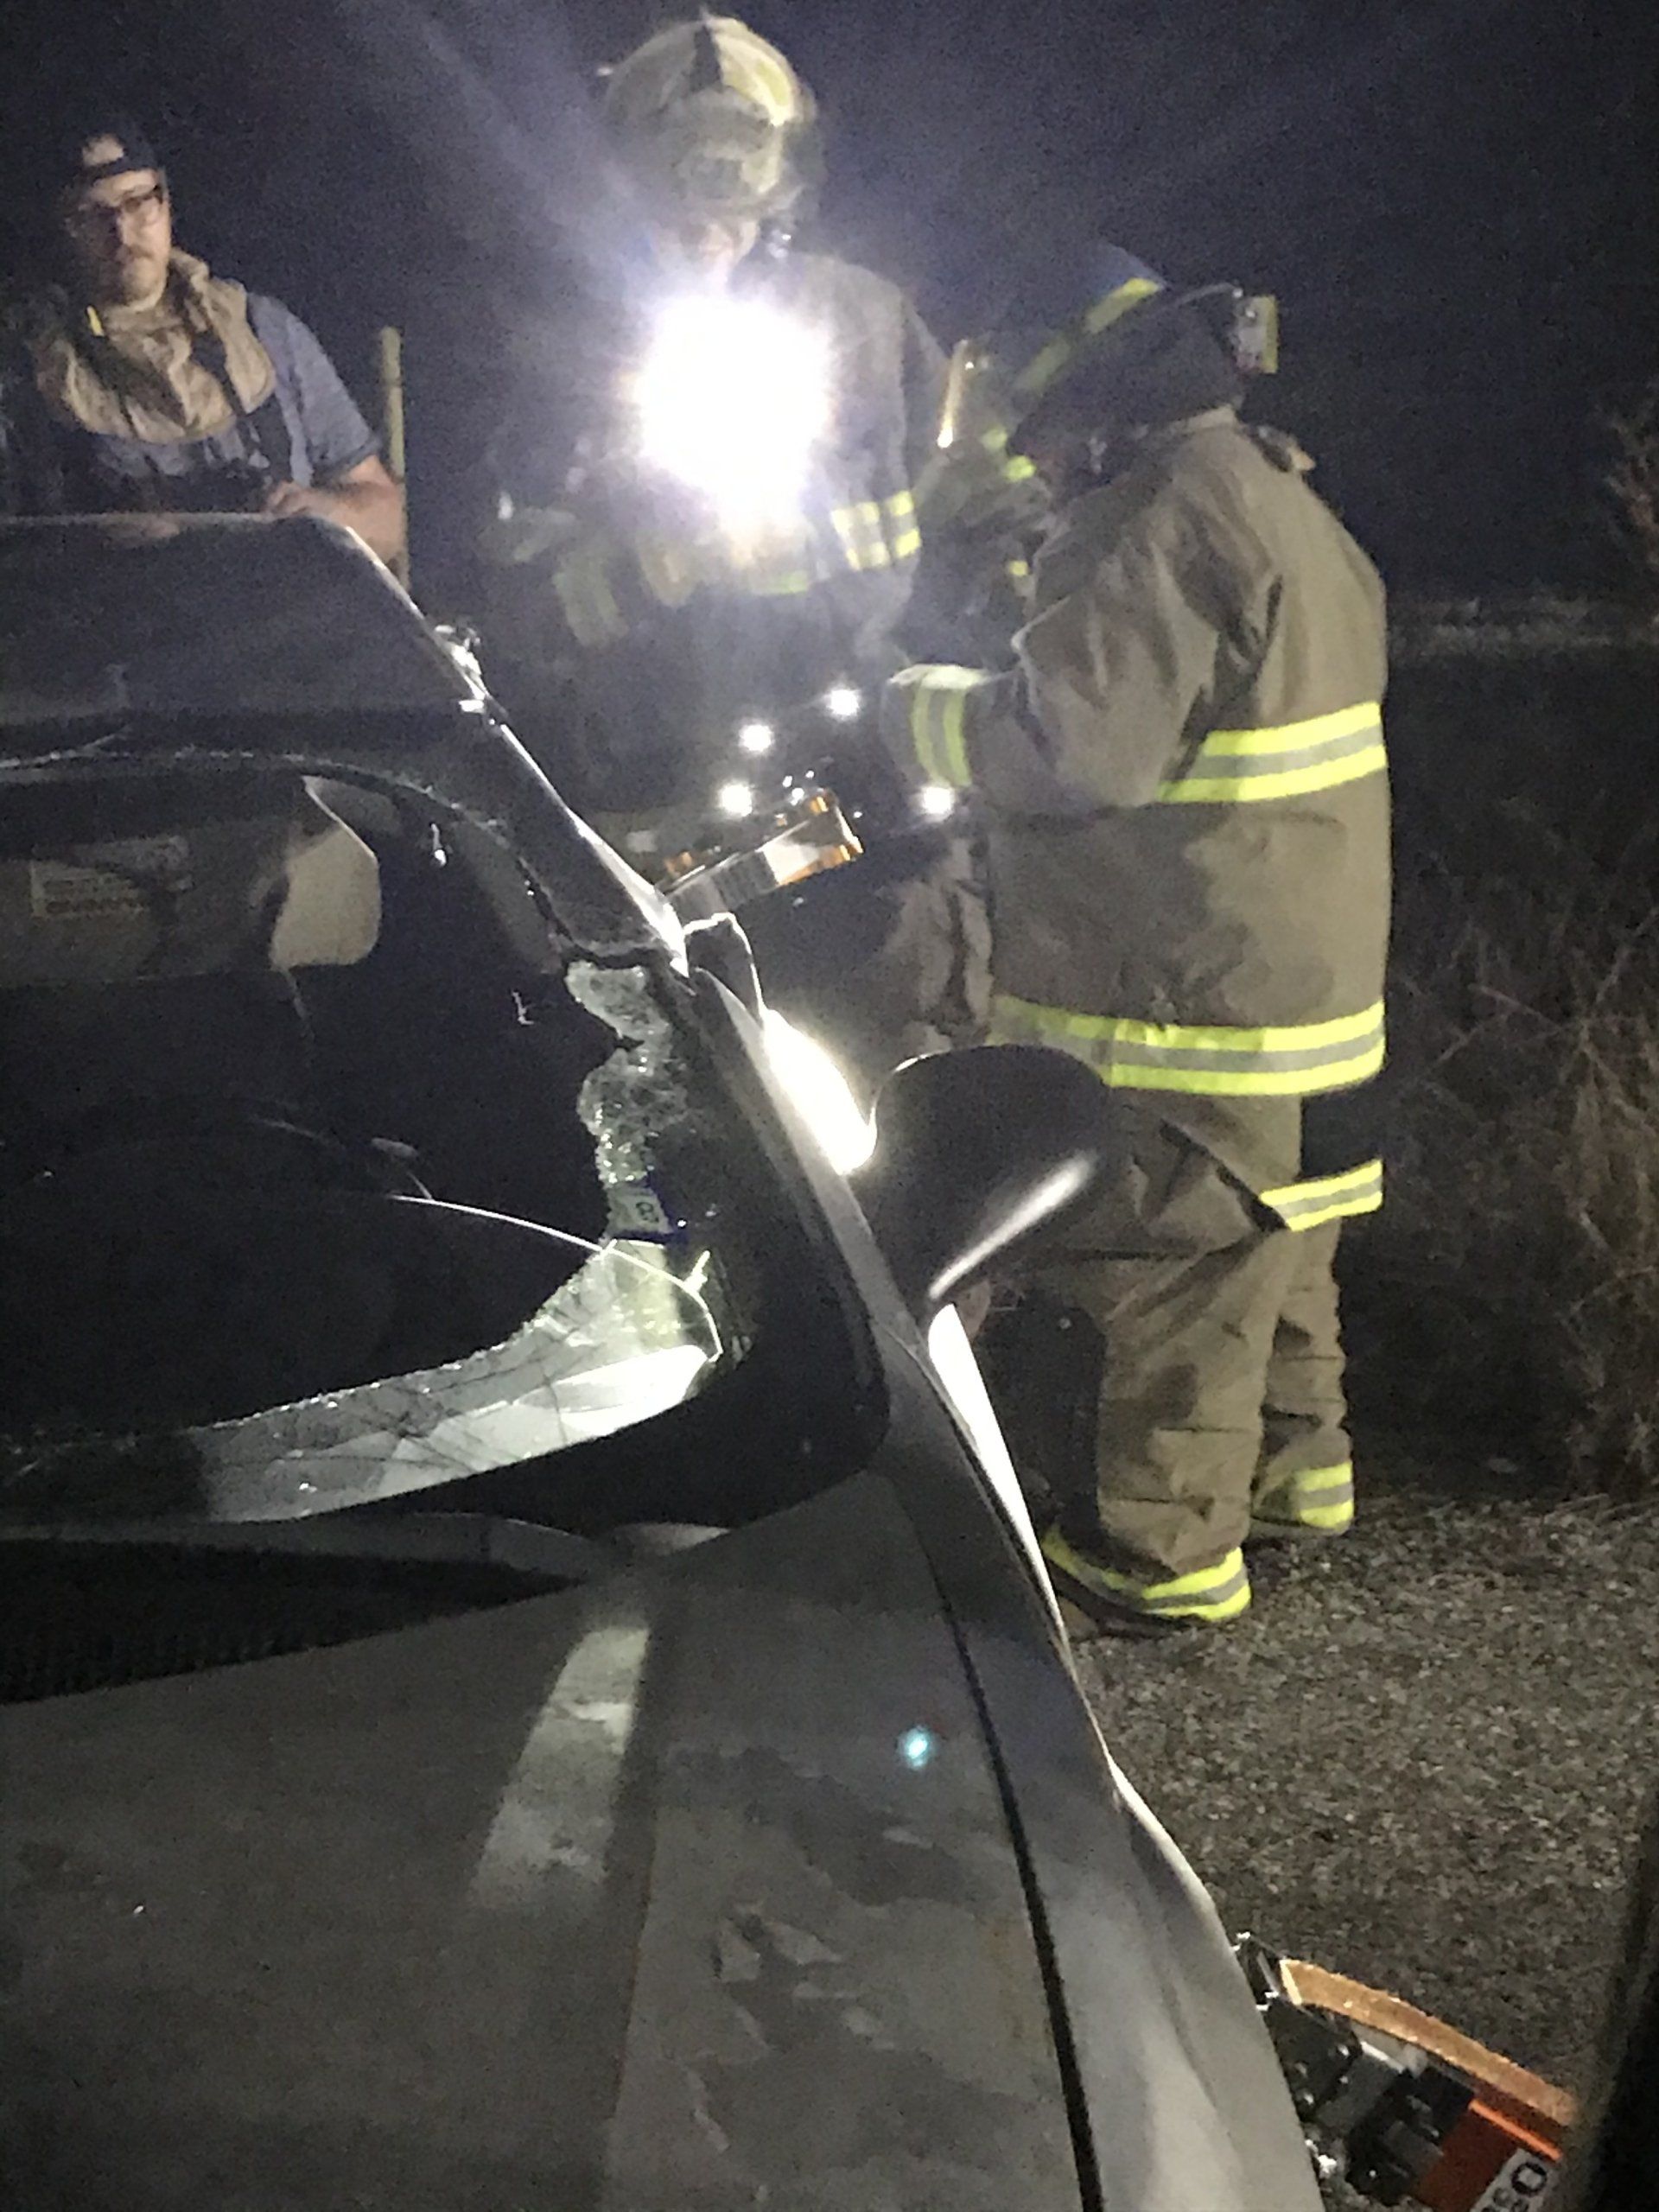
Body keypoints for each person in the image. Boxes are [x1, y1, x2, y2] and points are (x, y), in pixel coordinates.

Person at [882, 251, 1391, 1632]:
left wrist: (915, 710)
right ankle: (1301, 1482)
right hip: (1312, 1003)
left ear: (1089, 400)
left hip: (1192, 1010)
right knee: (1281, 1261)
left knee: (1167, 1279)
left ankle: (1155, 1562)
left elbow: (1072, 750)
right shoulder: (1277, 495)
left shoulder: (1154, 519)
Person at [478, 16, 988, 1100]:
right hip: (660, 814)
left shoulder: (864, 322)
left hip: (860, 812)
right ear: (629, 194)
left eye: (735, 211)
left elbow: (976, 514)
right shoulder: (566, 356)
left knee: (894, 1114)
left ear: (780, 194)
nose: (712, 236)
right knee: (691, 1124)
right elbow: (515, 607)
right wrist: (649, 569)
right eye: (683, 215)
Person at [0, 120, 404, 564]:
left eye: (137, 202)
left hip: (284, 623)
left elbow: (387, 521)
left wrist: (329, 516)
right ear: (64, 231)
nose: (121, 231)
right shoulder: (25, 367)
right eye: (92, 215)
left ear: (166, 203)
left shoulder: (264, 331)